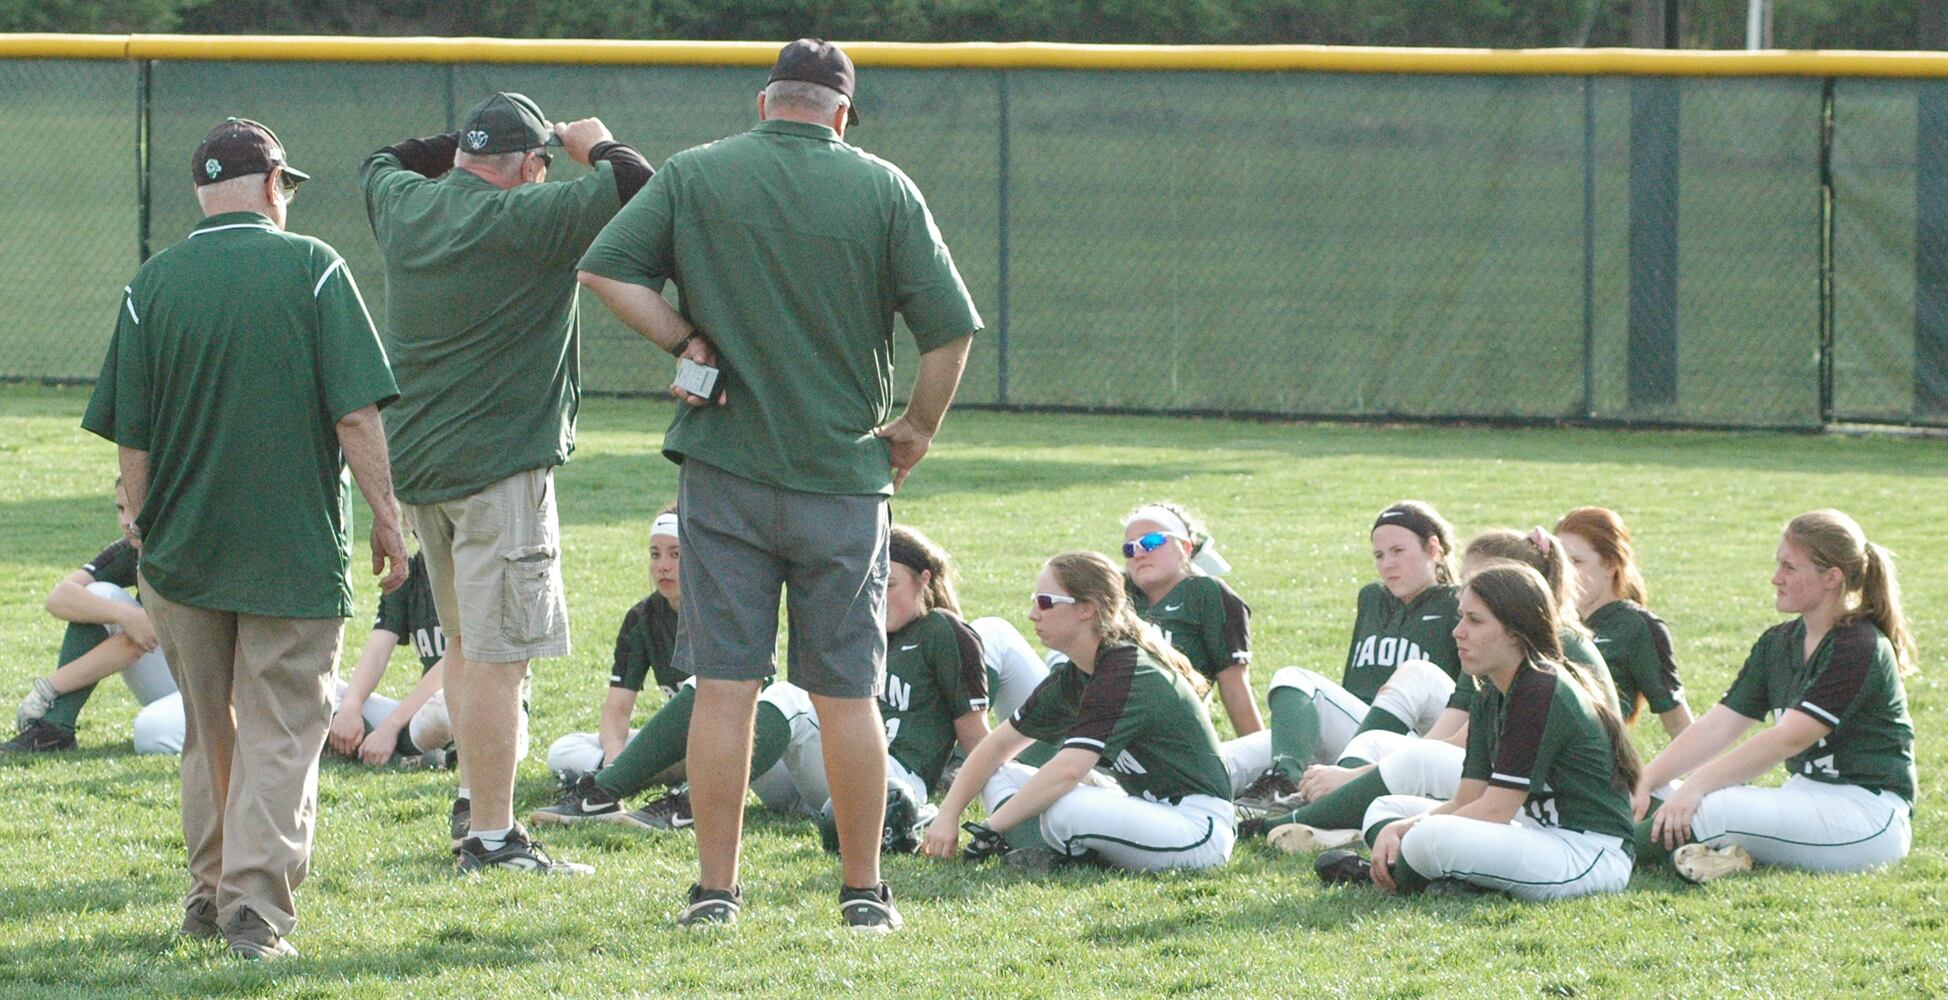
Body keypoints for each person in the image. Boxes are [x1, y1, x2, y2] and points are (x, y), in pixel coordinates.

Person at [577, 38, 982, 931]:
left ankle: (715, 892)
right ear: (841, 115)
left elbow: (605, 269)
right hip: (842, 476)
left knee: (724, 689)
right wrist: (913, 430)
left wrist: (684, 340)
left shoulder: (696, 173)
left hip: (723, 468)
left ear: (766, 103)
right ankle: (864, 893)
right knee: (848, 695)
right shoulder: (883, 187)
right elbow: (950, 332)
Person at [82, 117, 406, 959]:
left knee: (207, 729)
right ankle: (254, 911)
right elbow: (357, 413)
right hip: (291, 552)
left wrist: (146, 531)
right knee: (281, 730)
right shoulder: (314, 268)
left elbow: (134, 441)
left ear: (201, 192)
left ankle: (208, 893)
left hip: (182, 554)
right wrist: (388, 517)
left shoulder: (151, 283)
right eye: (287, 187)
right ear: (271, 187)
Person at [362, 92, 653, 875]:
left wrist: (465, 140)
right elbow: (640, 186)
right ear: (529, 168)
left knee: (466, 646)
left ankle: (475, 801)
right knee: (498, 657)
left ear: (461, 160)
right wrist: (593, 142)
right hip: (499, 473)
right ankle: (492, 835)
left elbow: (383, 159)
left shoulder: (408, 206)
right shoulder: (532, 217)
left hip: (421, 470)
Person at [1256, 526, 1615, 852]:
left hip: (1552, 807)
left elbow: (1465, 755)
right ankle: (1335, 820)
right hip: (1509, 790)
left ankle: (1290, 821)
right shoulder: (1484, 649)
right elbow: (1452, 738)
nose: (1465, 598)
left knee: (1417, 765)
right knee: (1379, 757)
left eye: (1481, 586)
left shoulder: (1547, 651)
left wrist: (1354, 777)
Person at [1312, 562, 1640, 900]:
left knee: (1427, 837)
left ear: (1516, 631)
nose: (1458, 631)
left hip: (1589, 851)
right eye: (1461, 617)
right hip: (1540, 831)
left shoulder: (1540, 688)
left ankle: (1395, 875)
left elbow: (1496, 810)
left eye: (1475, 620)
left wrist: (1410, 831)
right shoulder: (1490, 688)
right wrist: (1400, 826)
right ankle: (1450, 880)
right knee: (1384, 810)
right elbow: (1468, 798)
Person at [1634, 510, 1915, 883]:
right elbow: (1718, 725)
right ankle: (1723, 854)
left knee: (1714, 807)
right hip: (1805, 796)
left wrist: (1699, 784)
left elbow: (1790, 737)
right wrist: (1646, 778)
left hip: (1867, 815)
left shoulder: (1860, 645)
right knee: (1667, 790)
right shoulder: (1778, 642)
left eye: (1790, 568)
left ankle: (1601, 855)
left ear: (1832, 577)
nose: (1775, 578)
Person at [921, 551, 1235, 873]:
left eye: (1045, 602)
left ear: (1087, 609)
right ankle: (1039, 848)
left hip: (1198, 828)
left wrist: (991, 827)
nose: (1032, 614)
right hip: (1146, 809)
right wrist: (948, 814)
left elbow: (1069, 770)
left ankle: (1041, 850)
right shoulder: (1078, 671)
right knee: (999, 773)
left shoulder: (1125, 668)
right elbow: (996, 747)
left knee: (1064, 809)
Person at [1226, 501, 1463, 810]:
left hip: (1409, 743)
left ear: (1433, 548)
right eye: (1379, 555)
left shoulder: (1458, 603)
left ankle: (1282, 785)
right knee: (1232, 757)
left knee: (1293, 677)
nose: (1386, 564)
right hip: (1354, 733)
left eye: (1397, 551)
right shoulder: (1372, 598)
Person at [7, 482, 179, 753]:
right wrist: (124, 614)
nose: (126, 520)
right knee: (98, 595)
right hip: (180, 682)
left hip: (225, 698)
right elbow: (59, 598)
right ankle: (56, 729)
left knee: (151, 732)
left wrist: (48, 688)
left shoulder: (180, 553)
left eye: (135, 509)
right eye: (120, 508)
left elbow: (135, 644)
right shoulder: (132, 548)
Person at [543, 506, 685, 782]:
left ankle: (652, 773)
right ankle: (637, 772)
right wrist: (614, 760)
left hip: (728, 745)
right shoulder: (642, 618)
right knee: (563, 750)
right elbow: (617, 709)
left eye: (676, 554)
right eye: (655, 554)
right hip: (679, 745)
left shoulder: (719, 614)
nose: (662, 566)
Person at [1120, 502, 1258, 735]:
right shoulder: (1115, 595)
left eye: (1151, 541)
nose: (1139, 553)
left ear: (1185, 547)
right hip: (1106, 727)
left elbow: (1235, 687)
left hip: (1171, 737)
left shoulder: (1207, 594)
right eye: (1129, 549)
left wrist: (1263, 758)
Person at [1556, 506, 1693, 737]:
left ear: (1610, 564)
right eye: (1560, 562)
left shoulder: (1636, 626)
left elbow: (1679, 724)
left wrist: (1706, 774)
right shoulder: (1552, 618)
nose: (1565, 574)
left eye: (1576, 562)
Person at [327, 550, 470, 768]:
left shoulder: (477, 565)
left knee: (444, 707)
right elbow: (377, 652)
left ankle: (402, 757)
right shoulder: (408, 573)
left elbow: (459, 660)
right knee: (325, 690)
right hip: (423, 714)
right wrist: (350, 707)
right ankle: (424, 757)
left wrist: (389, 728)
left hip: (480, 707)